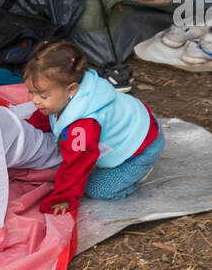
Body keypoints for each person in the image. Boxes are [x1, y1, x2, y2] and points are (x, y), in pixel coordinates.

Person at [22, 40, 164, 213]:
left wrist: (63, 197)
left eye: (43, 95)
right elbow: (46, 117)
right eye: (31, 91)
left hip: (142, 146)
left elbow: (77, 164)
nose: (34, 100)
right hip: (137, 118)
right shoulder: (67, 92)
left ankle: (138, 174)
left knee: (97, 189)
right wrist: (27, 127)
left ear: (72, 89)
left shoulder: (82, 126)